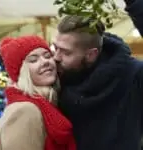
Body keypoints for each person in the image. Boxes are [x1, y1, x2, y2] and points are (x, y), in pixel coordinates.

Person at [53, 0, 143, 150]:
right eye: (55, 47)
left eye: (66, 52)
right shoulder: (55, 77)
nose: (56, 57)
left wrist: (136, 4)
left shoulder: (132, 76)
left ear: (91, 54)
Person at [0, 36, 76, 150]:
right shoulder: (25, 111)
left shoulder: (47, 103)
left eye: (47, 56)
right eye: (33, 60)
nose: (45, 62)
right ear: (21, 72)